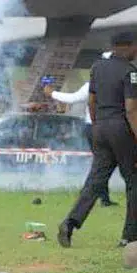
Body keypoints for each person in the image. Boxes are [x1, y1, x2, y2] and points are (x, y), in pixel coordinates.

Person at [58, 32, 137, 249]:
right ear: (128, 46)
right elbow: (131, 109)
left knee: (95, 180)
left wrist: (97, 125)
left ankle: (70, 223)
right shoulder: (130, 72)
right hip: (121, 129)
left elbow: (91, 102)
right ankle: (130, 236)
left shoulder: (97, 67)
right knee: (134, 180)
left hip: (100, 127)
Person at [44, 51, 117, 207]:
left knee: (102, 164)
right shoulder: (122, 80)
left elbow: (72, 98)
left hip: (96, 127)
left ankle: (96, 197)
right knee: (107, 163)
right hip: (111, 128)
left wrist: (52, 93)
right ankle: (99, 197)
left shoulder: (93, 84)